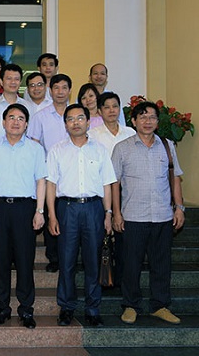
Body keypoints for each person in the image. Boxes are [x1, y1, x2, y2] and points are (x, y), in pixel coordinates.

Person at [112, 101, 185, 325]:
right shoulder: (122, 148)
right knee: (131, 264)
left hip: (163, 215)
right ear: (133, 121)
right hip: (133, 215)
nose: (148, 121)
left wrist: (179, 208)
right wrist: (115, 212)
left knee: (161, 263)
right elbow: (113, 183)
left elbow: (175, 178)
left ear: (157, 121)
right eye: (142, 117)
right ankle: (130, 305)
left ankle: (160, 305)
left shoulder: (167, 146)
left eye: (152, 117)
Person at [46, 104, 116, 327]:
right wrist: (52, 215)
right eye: (70, 119)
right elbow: (50, 184)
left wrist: (108, 213)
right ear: (65, 124)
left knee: (93, 262)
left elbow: (107, 184)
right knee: (66, 261)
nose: (75, 122)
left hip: (94, 209)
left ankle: (92, 309)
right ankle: (66, 308)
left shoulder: (100, 150)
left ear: (88, 122)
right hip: (67, 209)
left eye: (80, 118)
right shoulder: (57, 150)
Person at [0, 103, 46, 329]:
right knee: (0, 260)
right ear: (3, 122)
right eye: (11, 117)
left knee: (24, 260)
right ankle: (2, 308)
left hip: (25, 208)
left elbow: (41, 181)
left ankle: (26, 309)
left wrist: (40, 211)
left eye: (21, 118)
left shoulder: (35, 149)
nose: (16, 122)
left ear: (27, 124)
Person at [88, 92, 136, 288]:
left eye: (115, 106)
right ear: (99, 111)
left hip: (128, 191)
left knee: (125, 237)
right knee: (102, 236)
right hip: (101, 192)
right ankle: (103, 278)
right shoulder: (93, 135)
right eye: (106, 107)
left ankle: (123, 279)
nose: (111, 110)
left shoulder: (131, 133)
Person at [27, 74, 73, 273]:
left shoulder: (77, 114)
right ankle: (54, 257)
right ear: (50, 90)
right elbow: (34, 146)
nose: (60, 92)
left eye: (64, 88)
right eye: (56, 88)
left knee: (69, 215)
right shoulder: (41, 116)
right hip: (49, 175)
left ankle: (71, 256)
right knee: (51, 213)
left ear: (70, 90)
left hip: (74, 172)